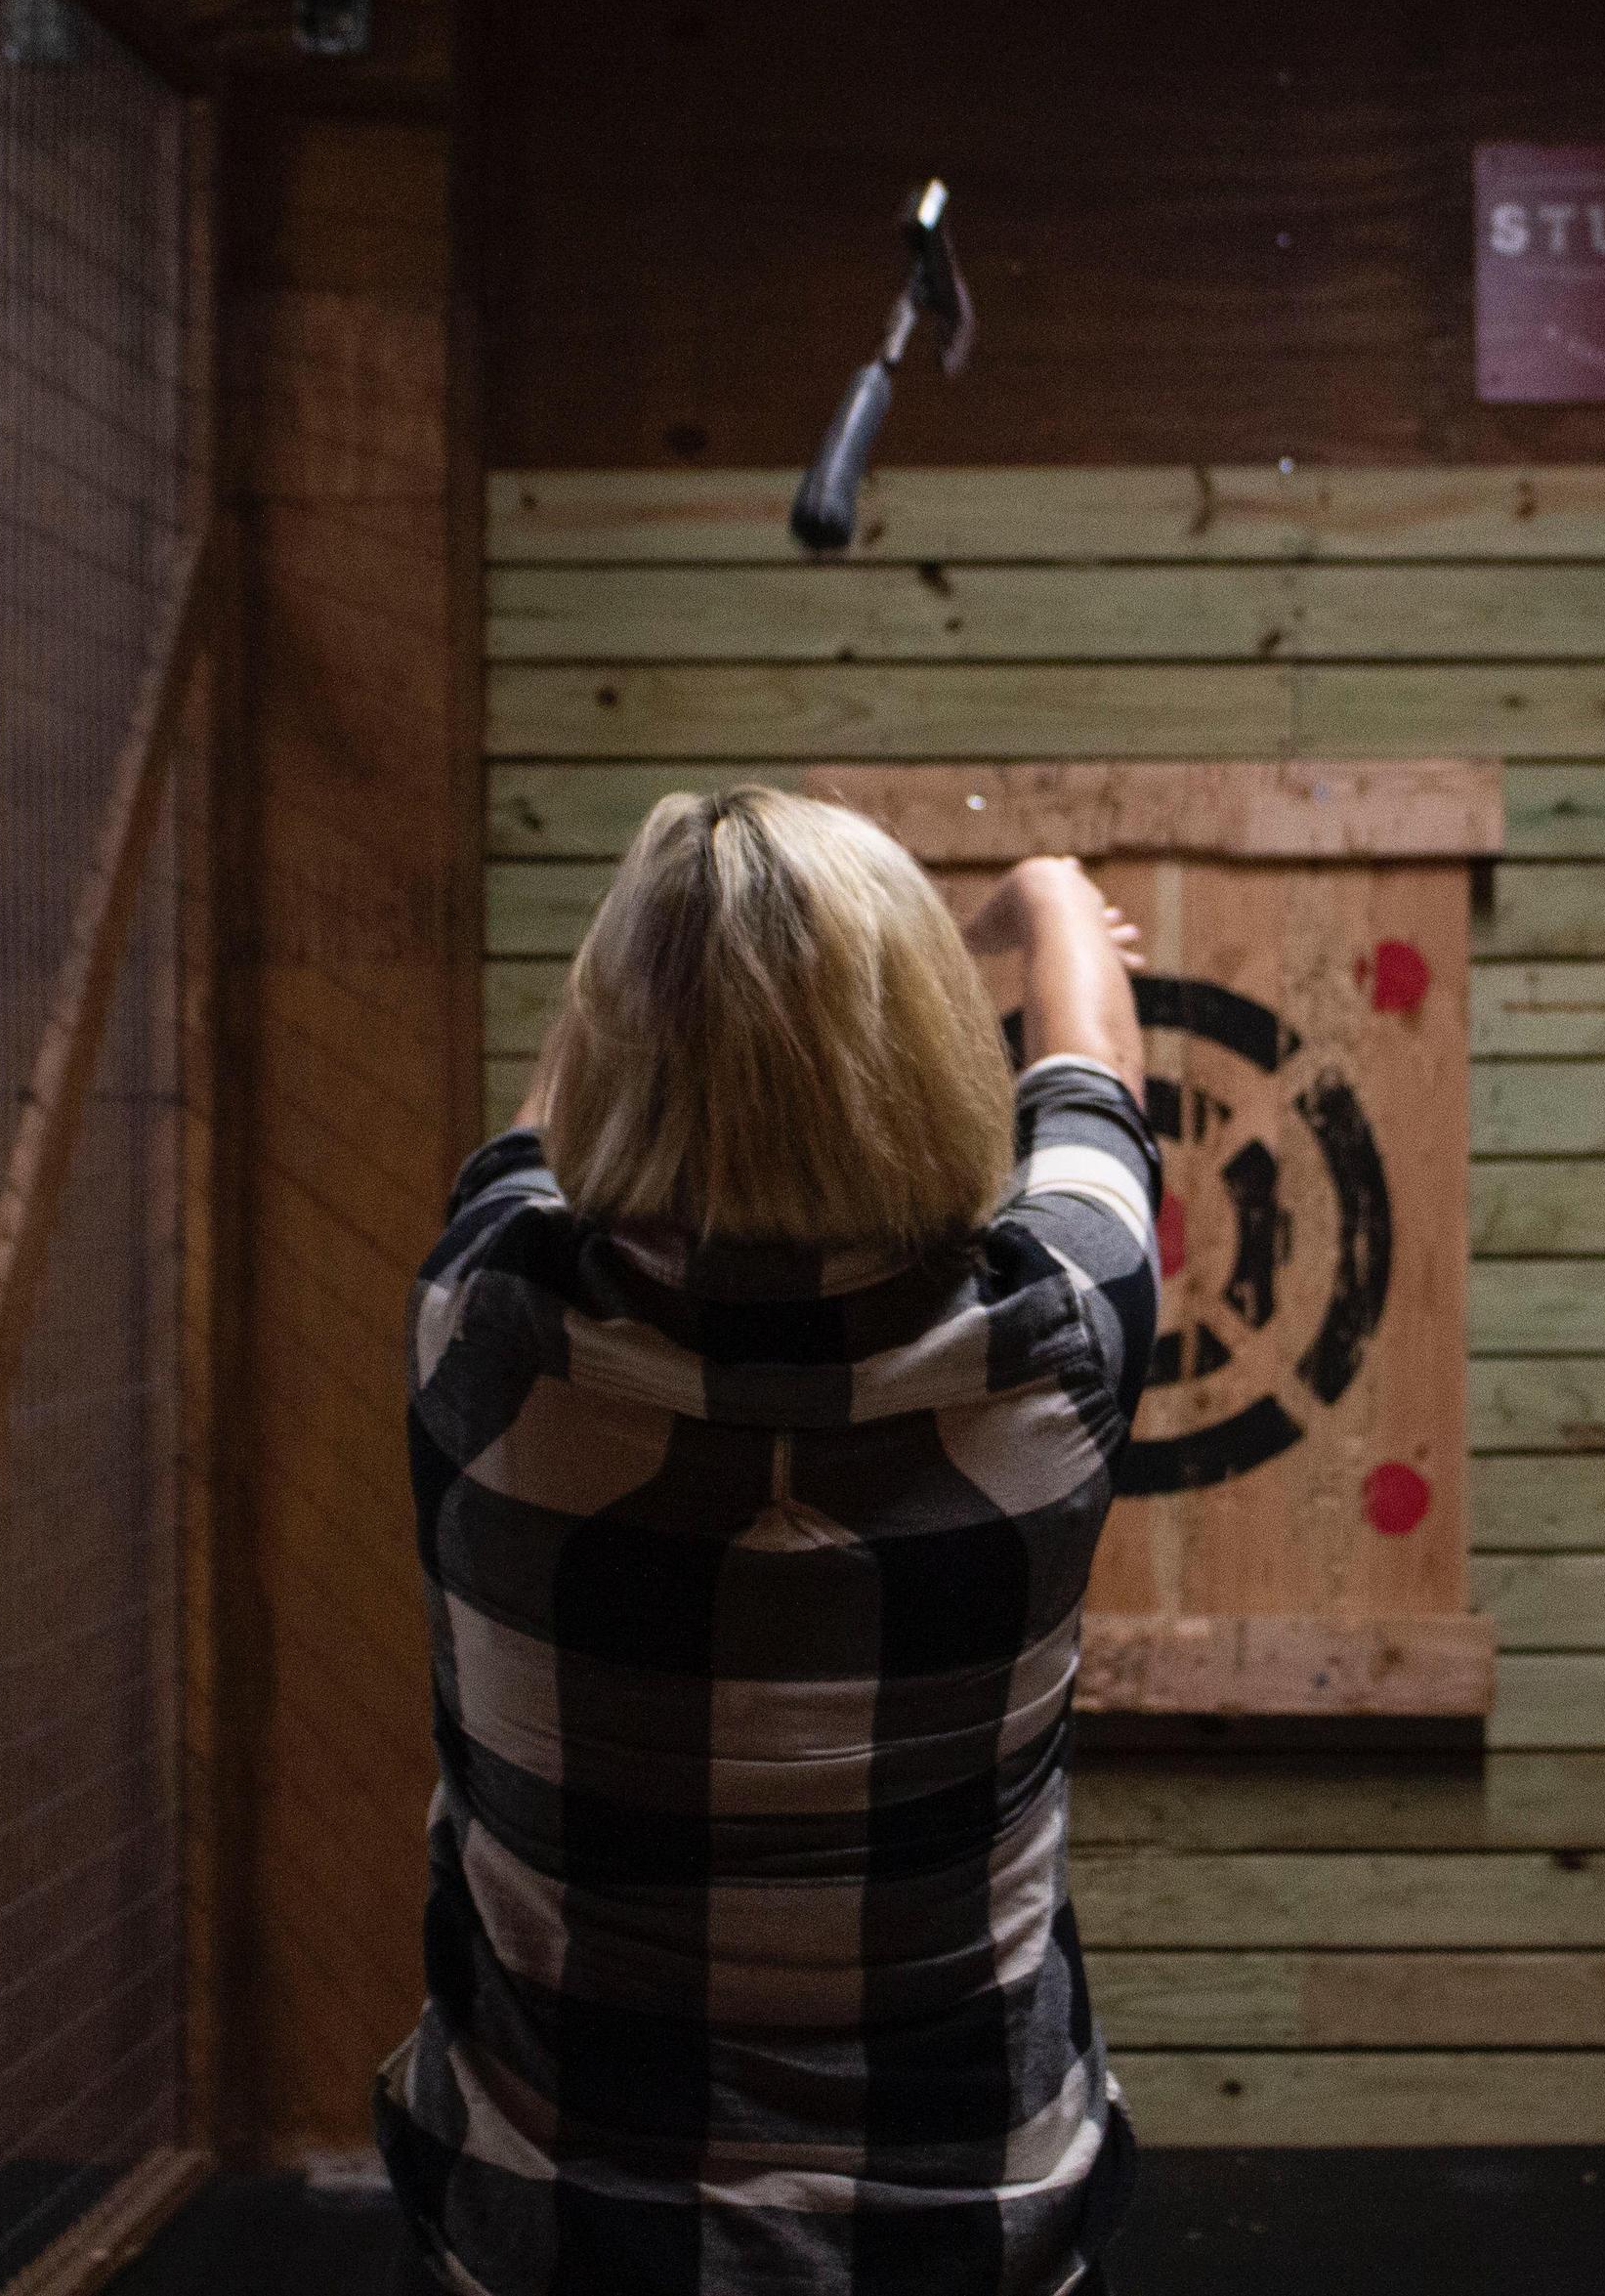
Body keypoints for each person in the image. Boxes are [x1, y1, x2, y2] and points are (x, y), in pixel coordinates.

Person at [375, 785, 1159, 2296]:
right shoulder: (1063, 1332)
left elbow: (561, 1107)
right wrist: (1033, 899)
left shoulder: (486, 1336)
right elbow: (1094, 1071)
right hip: (966, 2239)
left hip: (555, 2242)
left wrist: (690, 949)